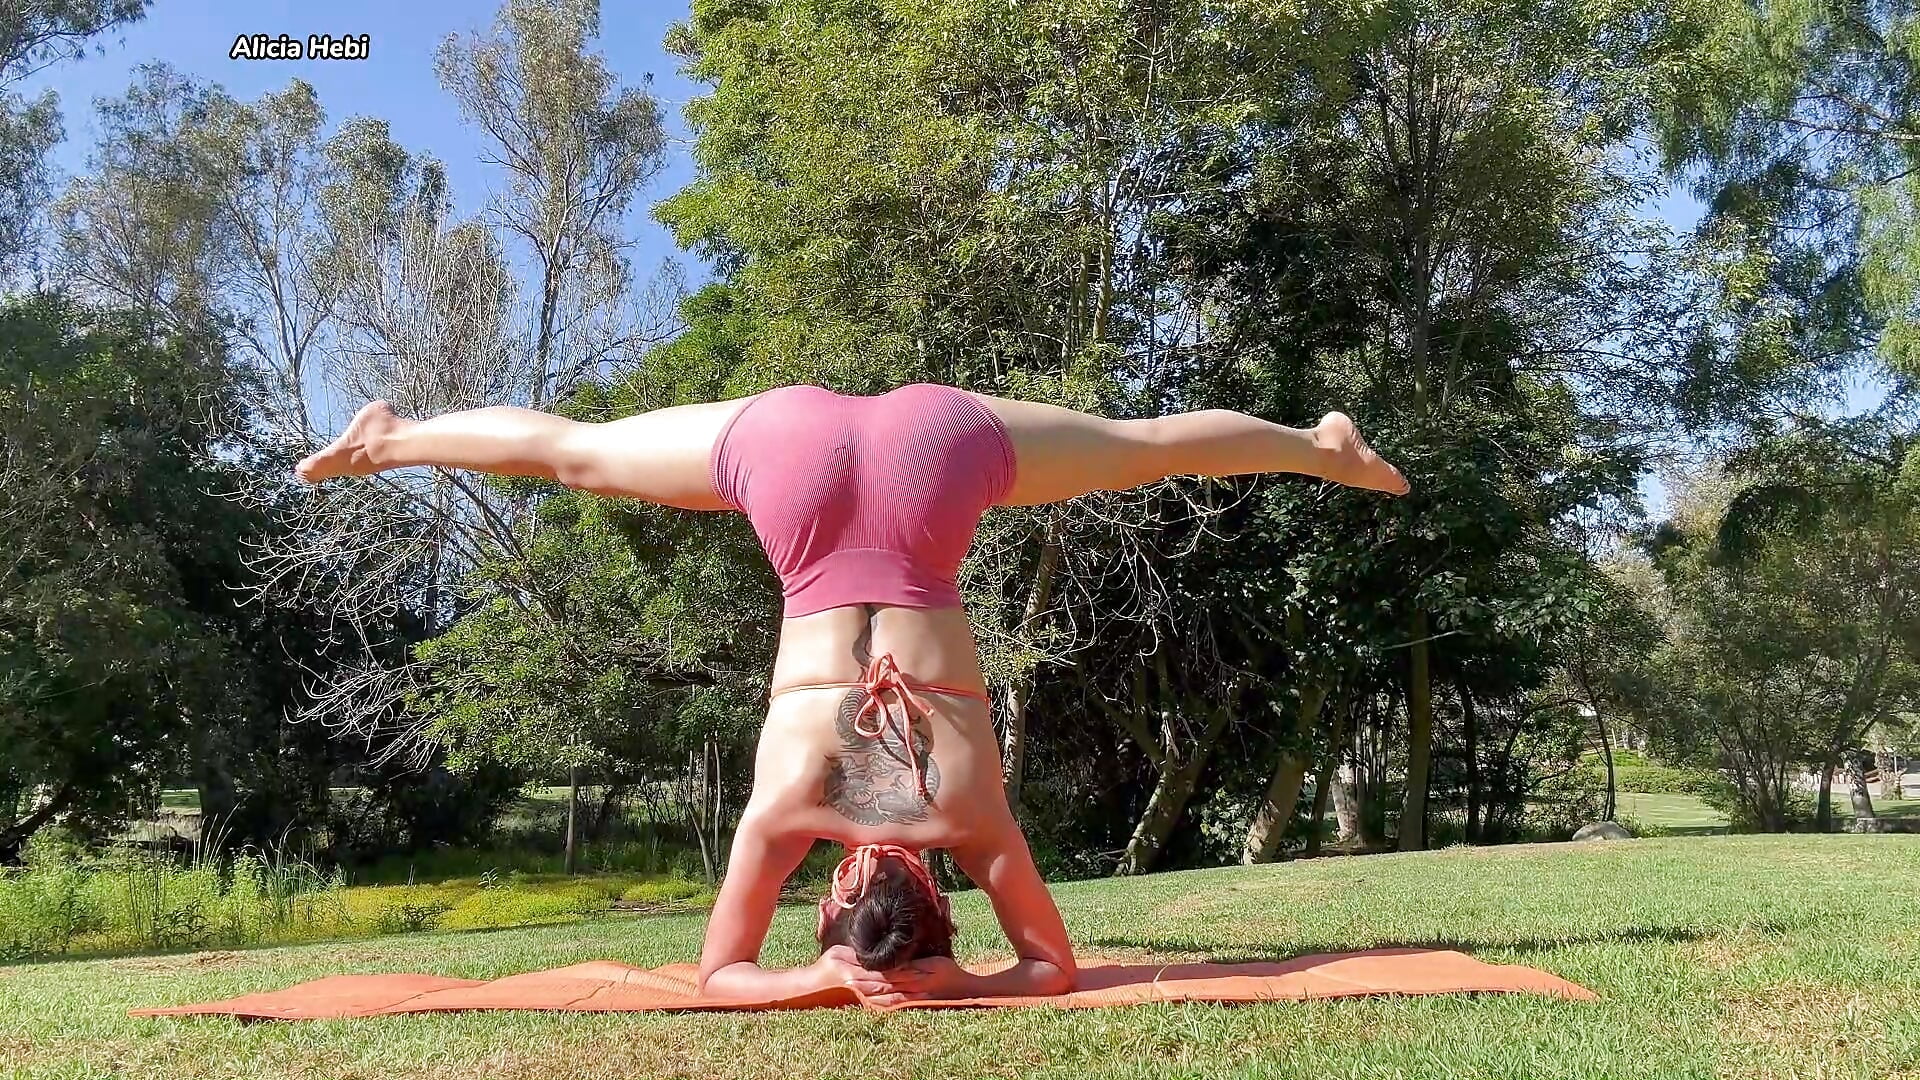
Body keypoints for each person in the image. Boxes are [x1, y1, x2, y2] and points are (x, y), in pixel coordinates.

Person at [296, 382, 1408, 1005]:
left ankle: (1321, 447)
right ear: (836, 897)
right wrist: (821, 979)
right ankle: (397, 441)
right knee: (576, 455)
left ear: (932, 896)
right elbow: (719, 972)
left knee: (1139, 450)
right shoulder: (787, 818)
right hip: (797, 475)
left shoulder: (967, 821)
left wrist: (953, 982)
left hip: (931, 464)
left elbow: (1049, 970)